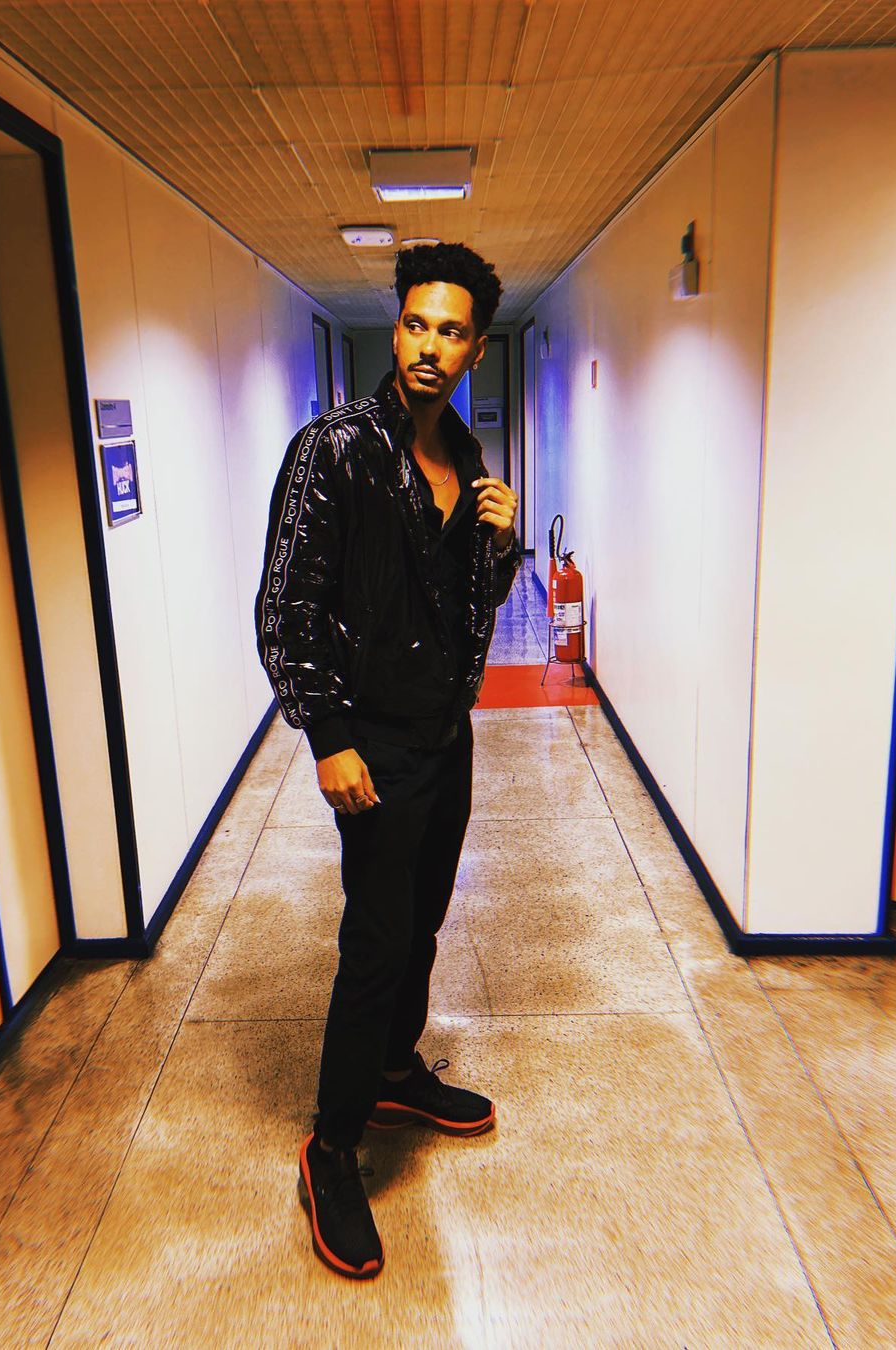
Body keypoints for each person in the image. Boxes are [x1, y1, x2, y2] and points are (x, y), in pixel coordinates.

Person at [255, 242, 521, 1280]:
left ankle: (397, 1071)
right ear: (396, 325)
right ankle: (331, 1147)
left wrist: (498, 547)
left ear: (475, 349)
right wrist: (328, 735)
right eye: (417, 324)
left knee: (426, 918)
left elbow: (466, 609)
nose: (429, 346)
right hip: (371, 742)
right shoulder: (335, 450)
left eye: (451, 332)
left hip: (446, 735)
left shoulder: (467, 456)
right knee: (374, 940)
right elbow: (287, 606)